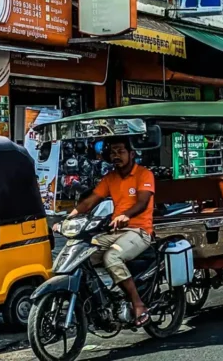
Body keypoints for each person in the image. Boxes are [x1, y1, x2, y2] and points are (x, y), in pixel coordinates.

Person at [56, 138, 155, 325]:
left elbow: (142, 202)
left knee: (112, 258)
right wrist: (68, 218)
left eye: (120, 151)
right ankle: (101, 299)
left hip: (139, 231)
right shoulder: (110, 178)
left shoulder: (144, 175)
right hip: (114, 231)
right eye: (113, 152)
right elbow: (90, 201)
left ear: (131, 154)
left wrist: (125, 215)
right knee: (82, 255)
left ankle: (138, 304)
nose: (116, 156)